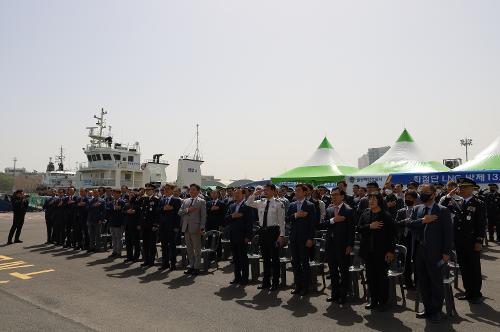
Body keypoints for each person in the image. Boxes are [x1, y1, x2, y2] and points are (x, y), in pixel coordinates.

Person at [409, 184, 453, 323]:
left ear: (434, 194)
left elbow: (448, 233)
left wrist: (446, 252)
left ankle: (436, 311)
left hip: (436, 253)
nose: (422, 194)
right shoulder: (417, 208)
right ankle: (427, 308)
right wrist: (423, 221)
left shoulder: (442, 210)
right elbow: (411, 224)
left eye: (425, 192)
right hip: (420, 251)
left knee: (436, 282)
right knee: (423, 282)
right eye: (421, 192)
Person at [357, 192, 395, 311]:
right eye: (370, 198)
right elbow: (359, 229)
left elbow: (392, 235)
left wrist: (390, 251)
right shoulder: (365, 213)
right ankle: (373, 300)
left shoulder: (386, 216)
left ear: (379, 201)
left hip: (382, 252)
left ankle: (383, 302)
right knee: (370, 277)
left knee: (382, 277)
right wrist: (370, 226)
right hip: (368, 252)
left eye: (374, 198)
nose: (371, 201)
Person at [454, 178, 487, 304]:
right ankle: (468, 291)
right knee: (464, 267)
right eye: (460, 187)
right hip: (460, 241)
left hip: (472, 242)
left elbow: (481, 223)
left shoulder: (478, 203)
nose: (461, 189)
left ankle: (476, 293)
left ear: (472, 189)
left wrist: (479, 241)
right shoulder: (459, 202)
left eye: (464, 187)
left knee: (474, 267)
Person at [247, 184, 286, 291]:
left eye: (267, 190)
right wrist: (255, 193)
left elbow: (282, 221)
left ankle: (275, 282)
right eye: (264, 190)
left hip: (273, 232)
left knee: (275, 258)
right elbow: (248, 203)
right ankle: (266, 282)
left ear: (273, 191)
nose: (265, 191)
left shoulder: (279, 203)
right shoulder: (261, 202)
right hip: (263, 232)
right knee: (265, 258)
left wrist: (281, 235)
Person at [321, 187, 355, 304]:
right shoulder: (330, 210)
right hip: (330, 245)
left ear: (342, 196)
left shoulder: (348, 210)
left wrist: (350, 245)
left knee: (343, 271)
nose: (333, 197)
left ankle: (343, 294)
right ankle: (334, 293)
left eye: (336, 195)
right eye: (332, 195)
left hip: (343, 245)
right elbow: (323, 224)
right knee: (333, 271)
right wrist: (333, 220)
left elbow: (351, 230)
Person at [286, 184, 316, 296]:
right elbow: (287, 219)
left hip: (305, 238)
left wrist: (310, 238)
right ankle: (297, 285)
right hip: (294, 238)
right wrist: (296, 215)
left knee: (305, 262)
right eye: (295, 190)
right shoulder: (292, 205)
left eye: (299, 191)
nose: (296, 192)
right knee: (295, 262)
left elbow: (312, 224)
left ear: (305, 192)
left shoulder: (310, 205)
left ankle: (306, 286)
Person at [225, 188, 253, 285]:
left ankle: (245, 278)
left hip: (243, 236)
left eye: (238, 194)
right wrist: (233, 216)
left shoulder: (247, 206)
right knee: (235, 258)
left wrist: (248, 236)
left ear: (243, 195)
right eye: (235, 194)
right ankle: (237, 277)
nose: (236, 196)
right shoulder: (231, 206)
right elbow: (226, 219)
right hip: (233, 235)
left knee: (243, 258)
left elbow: (250, 223)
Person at [178, 183, 207, 275]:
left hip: (196, 228)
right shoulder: (185, 201)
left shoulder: (201, 201)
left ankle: (197, 267)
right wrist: (187, 210)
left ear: (198, 191)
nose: (191, 191)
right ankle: (191, 265)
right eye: (190, 189)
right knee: (189, 249)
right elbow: (179, 212)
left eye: (194, 189)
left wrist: (202, 228)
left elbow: (203, 216)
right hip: (186, 227)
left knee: (197, 248)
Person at [395, 189, 418, 289]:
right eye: (406, 198)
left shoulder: (419, 210)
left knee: (416, 262)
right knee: (406, 262)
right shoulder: (401, 211)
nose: (407, 200)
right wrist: (405, 221)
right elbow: (395, 224)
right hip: (404, 238)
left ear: (414, 199)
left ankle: (418, 283)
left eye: (409, 198)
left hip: (415, 239)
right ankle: (407, 282)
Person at [158, 184, 182, 271]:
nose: (166, 190)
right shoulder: (162, 200)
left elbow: (179, 214)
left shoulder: (176, 200)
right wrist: (164, 208)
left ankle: (173, 264)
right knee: (164, 245)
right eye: (165, 189)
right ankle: (165, 263)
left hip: (172, 226)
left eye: (168, 189)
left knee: (172, 245)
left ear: (172, 190)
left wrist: (177, 226)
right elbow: (158, 210)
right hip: (163, 226)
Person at [138, 183, 160, 267]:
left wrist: (156, 225)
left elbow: (157, 214)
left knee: (152, 244)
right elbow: (142, 213)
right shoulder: (144, 199)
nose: (146, 191)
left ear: (153, 191)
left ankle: (151, 260)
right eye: (146, 189)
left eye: (148, 190)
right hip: (145, 225)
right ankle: (146, 260)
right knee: (145, 243)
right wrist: (140, 224)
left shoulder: (156, 200)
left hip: (152, 226)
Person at [124, 191, 141, 263]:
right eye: (129, 195)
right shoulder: (127, 204)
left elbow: (140, 215)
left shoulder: (137, 204)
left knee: (136, 242)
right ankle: (129, 256)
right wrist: (127, 212)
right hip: (127, 225)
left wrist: (139, 225)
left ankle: (136, 257)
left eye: (132, 195)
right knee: (128, 242)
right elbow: (123, 211)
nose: (130, 196)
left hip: (135, 225)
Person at [108, 189, 125, 258]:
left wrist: (118, 208)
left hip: (119, 223)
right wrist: (114, 208)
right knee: (113, 238)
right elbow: (108, 209)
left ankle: (119, 252)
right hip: (112, 222)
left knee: (119, 238)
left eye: (115, 193)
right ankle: (114, 251)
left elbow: (123, 211)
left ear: (119, 194)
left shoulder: (122, 202)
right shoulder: (111, 202)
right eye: (113, 193)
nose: (113, 195)